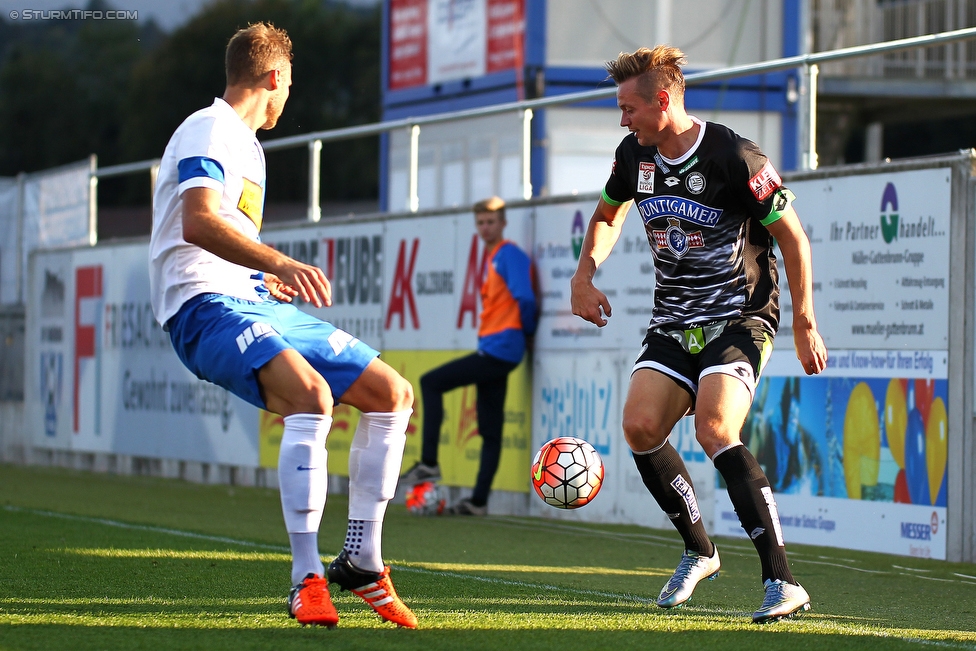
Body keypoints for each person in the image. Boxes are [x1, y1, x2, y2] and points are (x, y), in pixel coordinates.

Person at [149, 23, 417, 629]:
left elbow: (226, 235)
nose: (288, 97)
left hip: (247, 300)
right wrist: (277, 260)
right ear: (274, 78)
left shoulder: (248, 146)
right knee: (312, 397)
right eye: (289, 85)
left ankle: (364, 563)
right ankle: (306, 580)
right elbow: (197, 223)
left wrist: (261, 277)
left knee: (391, 394)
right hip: (200, 307)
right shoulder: (209, 128)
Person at [569, 46, 827, 623]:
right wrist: (584, 274)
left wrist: (806, 321)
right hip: (673, 319)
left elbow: (793, 238)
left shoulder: (735, 155)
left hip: (740, 317)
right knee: (639, 427)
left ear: (663, 101)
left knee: (715, 428)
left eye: (628, 108)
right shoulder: (633, 156)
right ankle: (699, 550)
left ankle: (782, 581)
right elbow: (609, 214)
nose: (622, 119)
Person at [399, 197, 537, 516]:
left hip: (500, 349)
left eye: (491, 221)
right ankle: (478, 501)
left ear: (503, 223)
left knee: (430, 382)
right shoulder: (495, 258)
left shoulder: (508, 255)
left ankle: (429, 463)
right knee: (490, 427)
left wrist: (525, 333)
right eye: (481, 223)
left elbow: (526, 300)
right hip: (496, 349)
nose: (486, 227)